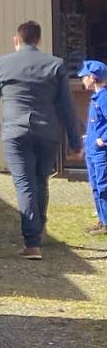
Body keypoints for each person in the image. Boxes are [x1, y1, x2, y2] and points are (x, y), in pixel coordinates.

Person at [0, 21, 81, 259]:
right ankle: (39, 226)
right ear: (39, 40)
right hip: (47, 131)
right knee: (40, 180)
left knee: (25, 183)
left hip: (15, 132)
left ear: (16, 40)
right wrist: (75, 142)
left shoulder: (1, 63)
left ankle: (32, 242)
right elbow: (67, 106)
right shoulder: (55, 64)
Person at [79, 60, 107, 236]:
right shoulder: (96, 97)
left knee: (103, 186)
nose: (82, 79)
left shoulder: (104, 97)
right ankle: (102, 220)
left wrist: (103, 139)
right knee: (96, 186)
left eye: (84, 76)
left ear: (92, 78)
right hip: (92, 149)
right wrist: (88, 138)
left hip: (101, 152)